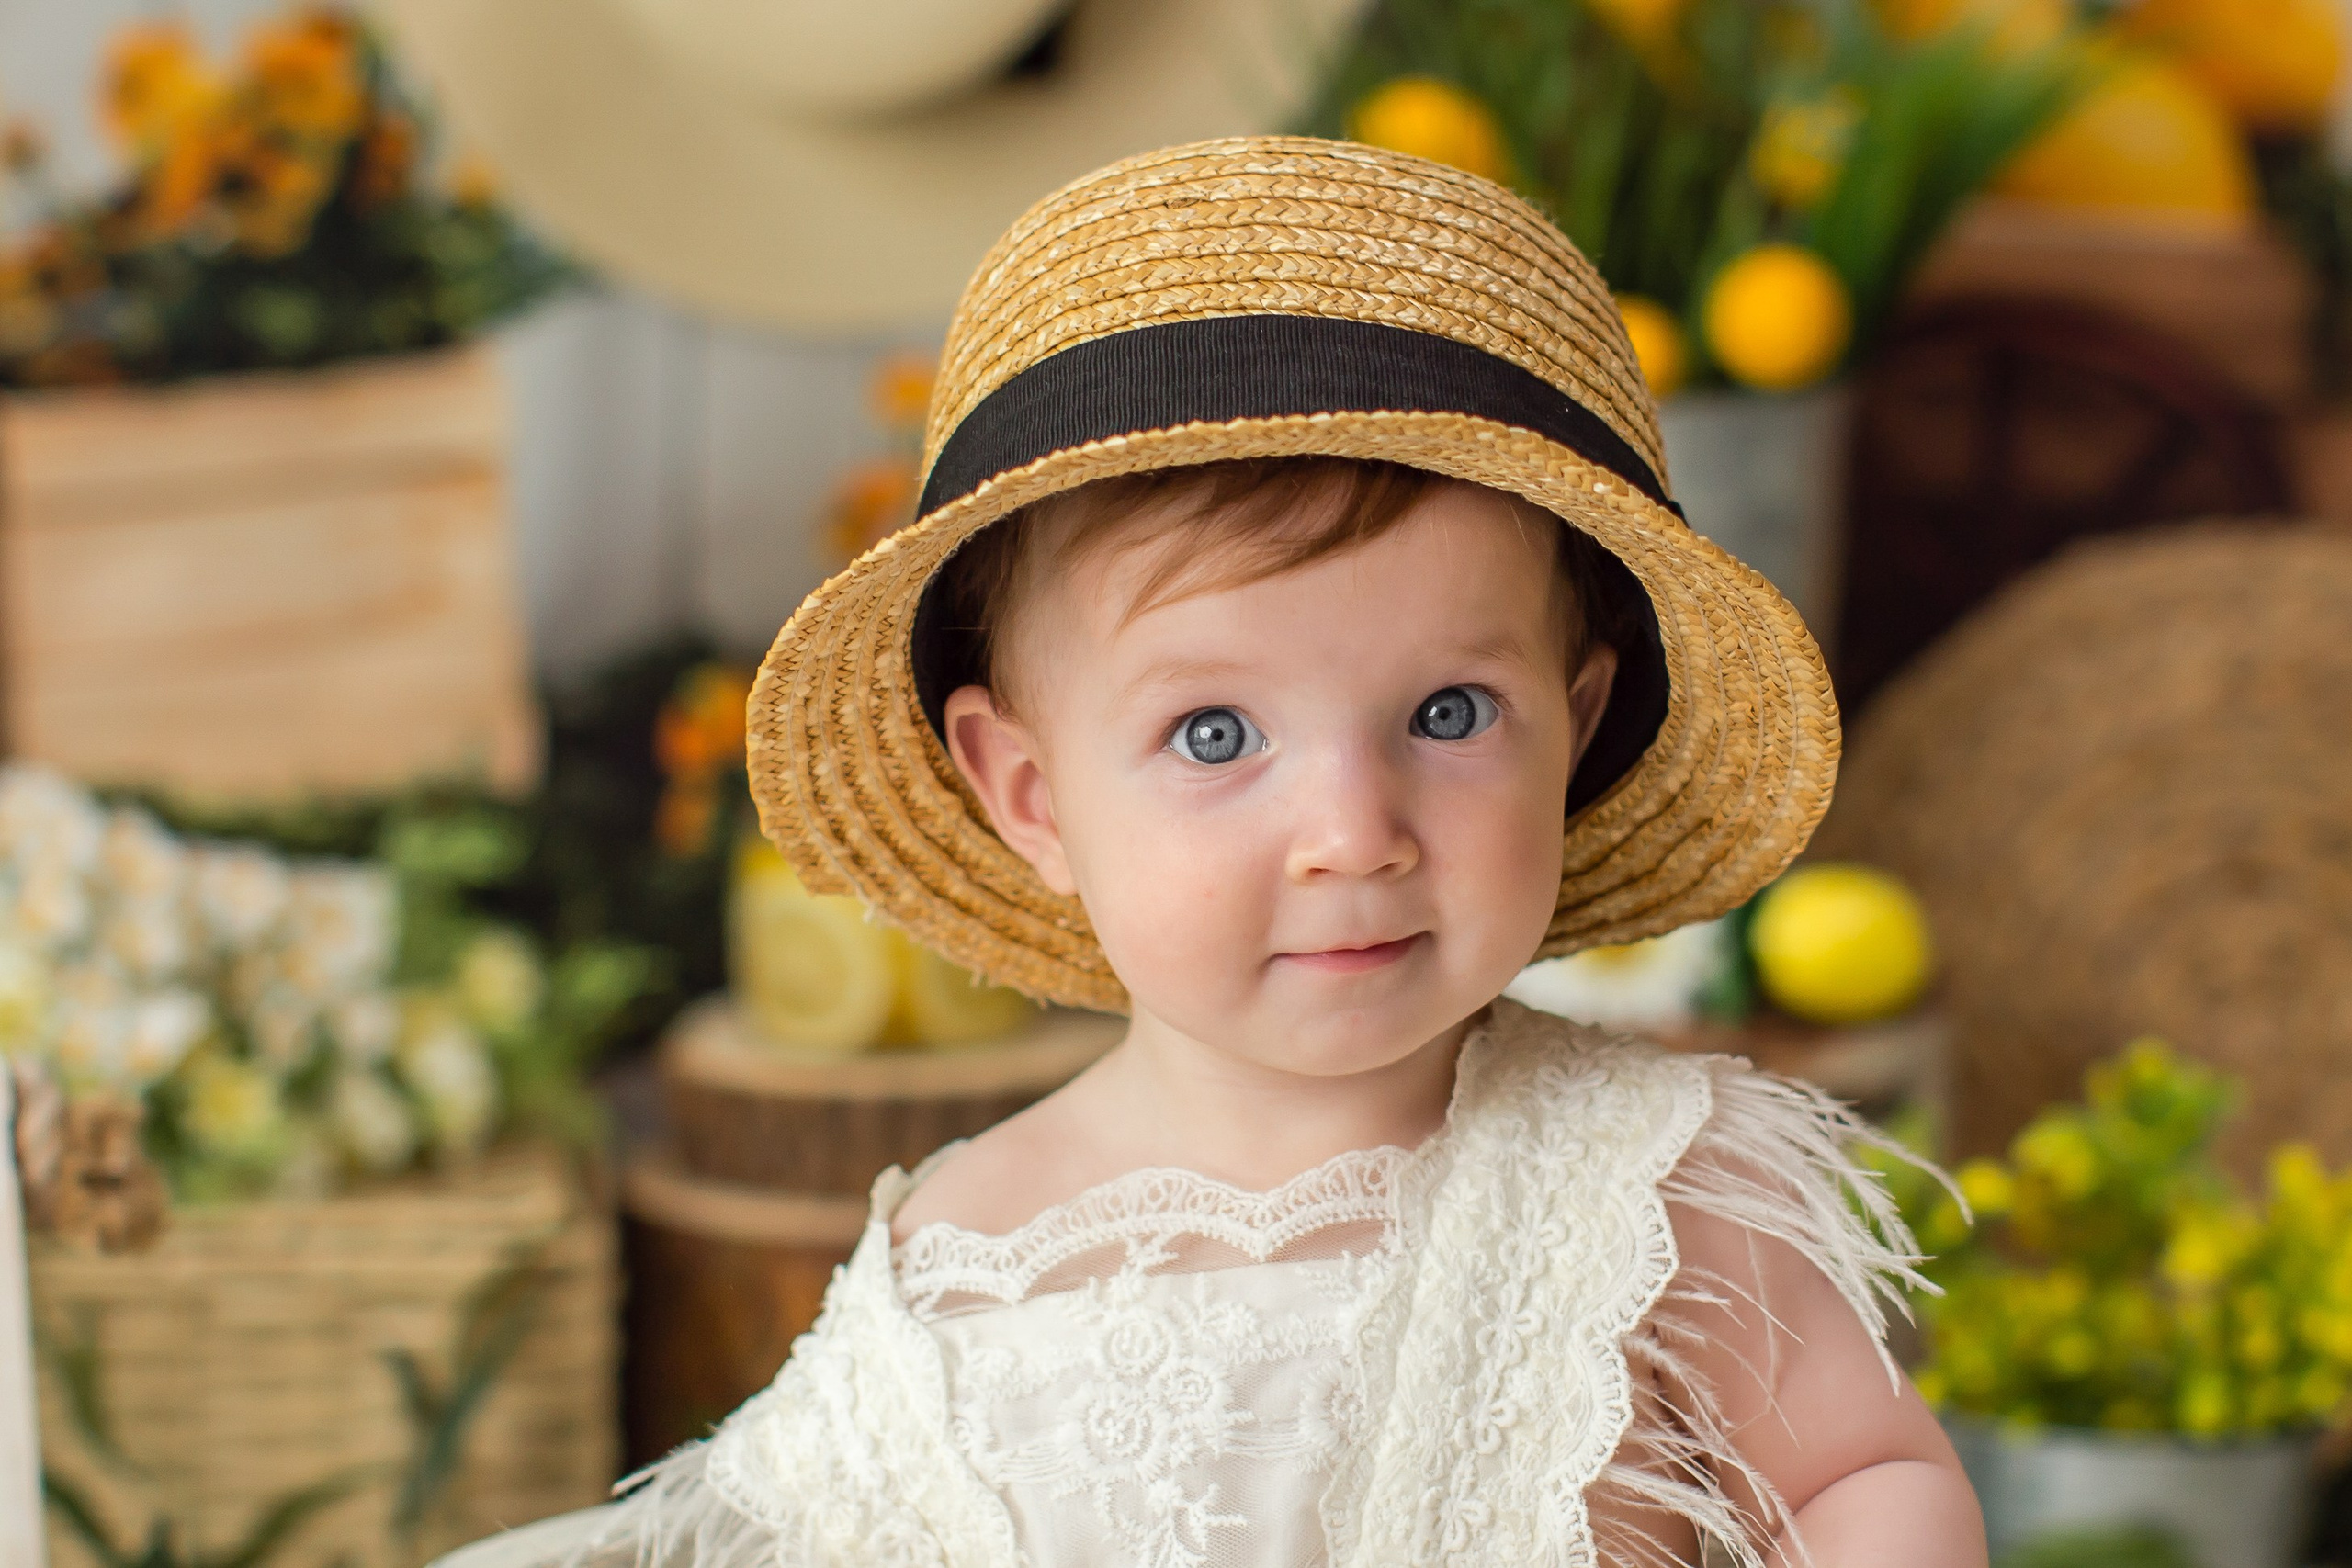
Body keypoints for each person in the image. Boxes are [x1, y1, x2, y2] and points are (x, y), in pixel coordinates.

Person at [600, 136, 1983, 1568]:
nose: (1352, 834)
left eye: (1449, 714)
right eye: (1215, 737)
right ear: (1029, 793)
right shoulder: (953, 1279)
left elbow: (1862, 1476)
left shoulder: (1648, 1184)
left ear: (1575, 731)